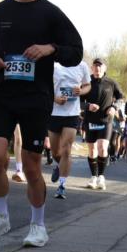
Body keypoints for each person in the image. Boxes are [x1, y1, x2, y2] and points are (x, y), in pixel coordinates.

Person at [0, 0, 83, 248]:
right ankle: (1, 217)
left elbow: (76, 50)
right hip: (3, 95)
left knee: (32, 165)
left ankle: (38, 225)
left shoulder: (50, 13)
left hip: (36, 97)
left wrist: (51, 49)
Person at [48, 59, 91, 199]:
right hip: (54, 113)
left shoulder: (82, 65)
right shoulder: (53, 65)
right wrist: (54, 99)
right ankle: (59, 165)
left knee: (66, 149)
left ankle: (62, 186)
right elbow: (44, 87)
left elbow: (88, 85)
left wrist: (81, 91)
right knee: (55, 152)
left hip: (72, 113)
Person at [82, 58, 123, 191]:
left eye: (100, 67)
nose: (97, 69)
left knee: (103, 147)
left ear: (104, 68)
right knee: (92, 149)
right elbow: (79, 101)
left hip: (106, 120)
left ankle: (101, 176)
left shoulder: (111, 83)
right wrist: (88, 106)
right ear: (92, 68)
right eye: (95, 66)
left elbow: (120, 97)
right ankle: (93, 177)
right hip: (90, 120)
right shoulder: (86, 82)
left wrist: (114, 107)